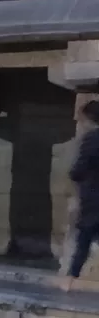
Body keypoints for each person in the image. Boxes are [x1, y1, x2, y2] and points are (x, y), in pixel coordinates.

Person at [67, 101, 99, 281]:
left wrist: (74, 175)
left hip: (93, 197)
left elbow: (79, 170)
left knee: (84, 241)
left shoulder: (91, 138)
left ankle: (70, 280)